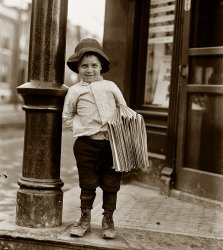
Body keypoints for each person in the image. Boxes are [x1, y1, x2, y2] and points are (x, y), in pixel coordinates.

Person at [62, 38, 127, 239]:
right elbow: (67, 116)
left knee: (111, 184)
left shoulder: (111, 87)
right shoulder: (74, 91)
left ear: (101, 67)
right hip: (86, 145)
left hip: (111, 145)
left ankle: (108, 219)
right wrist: (82, 128)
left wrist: (118, 129)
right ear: (78, 68)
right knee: (87, 183)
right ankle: (84, 219)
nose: (89, 70)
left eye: (94, 66)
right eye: (84, 66)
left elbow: (123, 110)